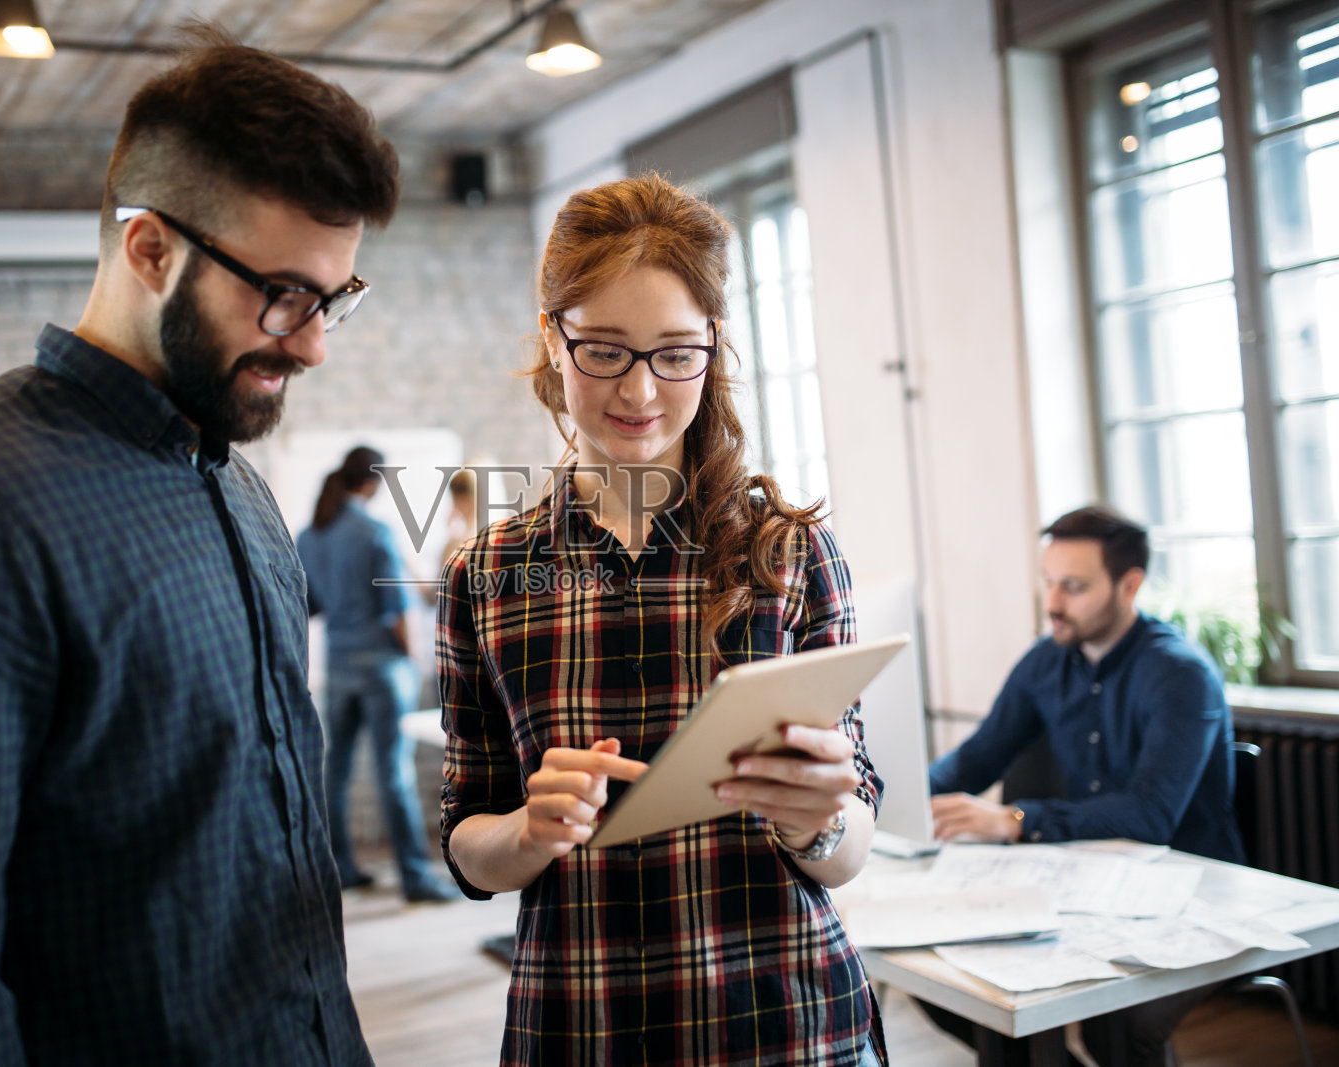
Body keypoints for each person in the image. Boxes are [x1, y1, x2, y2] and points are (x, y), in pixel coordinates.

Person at [0, 27, 398, 1065]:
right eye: (283, 294)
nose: (312, 341)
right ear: (150, 249)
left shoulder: (241, 490)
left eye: (332, 299)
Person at [438, 173, 887, 1066]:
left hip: (788, 1026)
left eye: (677, 353)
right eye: (605, 350)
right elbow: (466, 841)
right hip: (583, 1026)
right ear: (552, 336)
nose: (641, 390)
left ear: (712, 344)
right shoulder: (487, 573)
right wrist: (526, 831)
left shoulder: (790, 553)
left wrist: (818, 819)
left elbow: (852, 836)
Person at [923, 504, 1242, 1066]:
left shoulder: (1180, 675)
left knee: (1113, 1029)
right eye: (1048, 582)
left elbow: (1150, 816)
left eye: (1073, 587)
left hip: (1186, 896)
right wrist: (886, 794)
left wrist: (1016, 820)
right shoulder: (1046, 661)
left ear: (1129, 585)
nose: (1052, 603)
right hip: (1086, 885)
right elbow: (975, 759)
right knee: (956, 989)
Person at [296, 446, 457, 903]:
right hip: (383, 665)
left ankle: (341, 869)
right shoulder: (374, 531)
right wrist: (414, 657)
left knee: (336, 771)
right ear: (371, 483)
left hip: (339, 663)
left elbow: (311, 605)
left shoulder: (309, 535)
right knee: (394, 772)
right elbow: (395, 608)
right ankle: (415, 878)